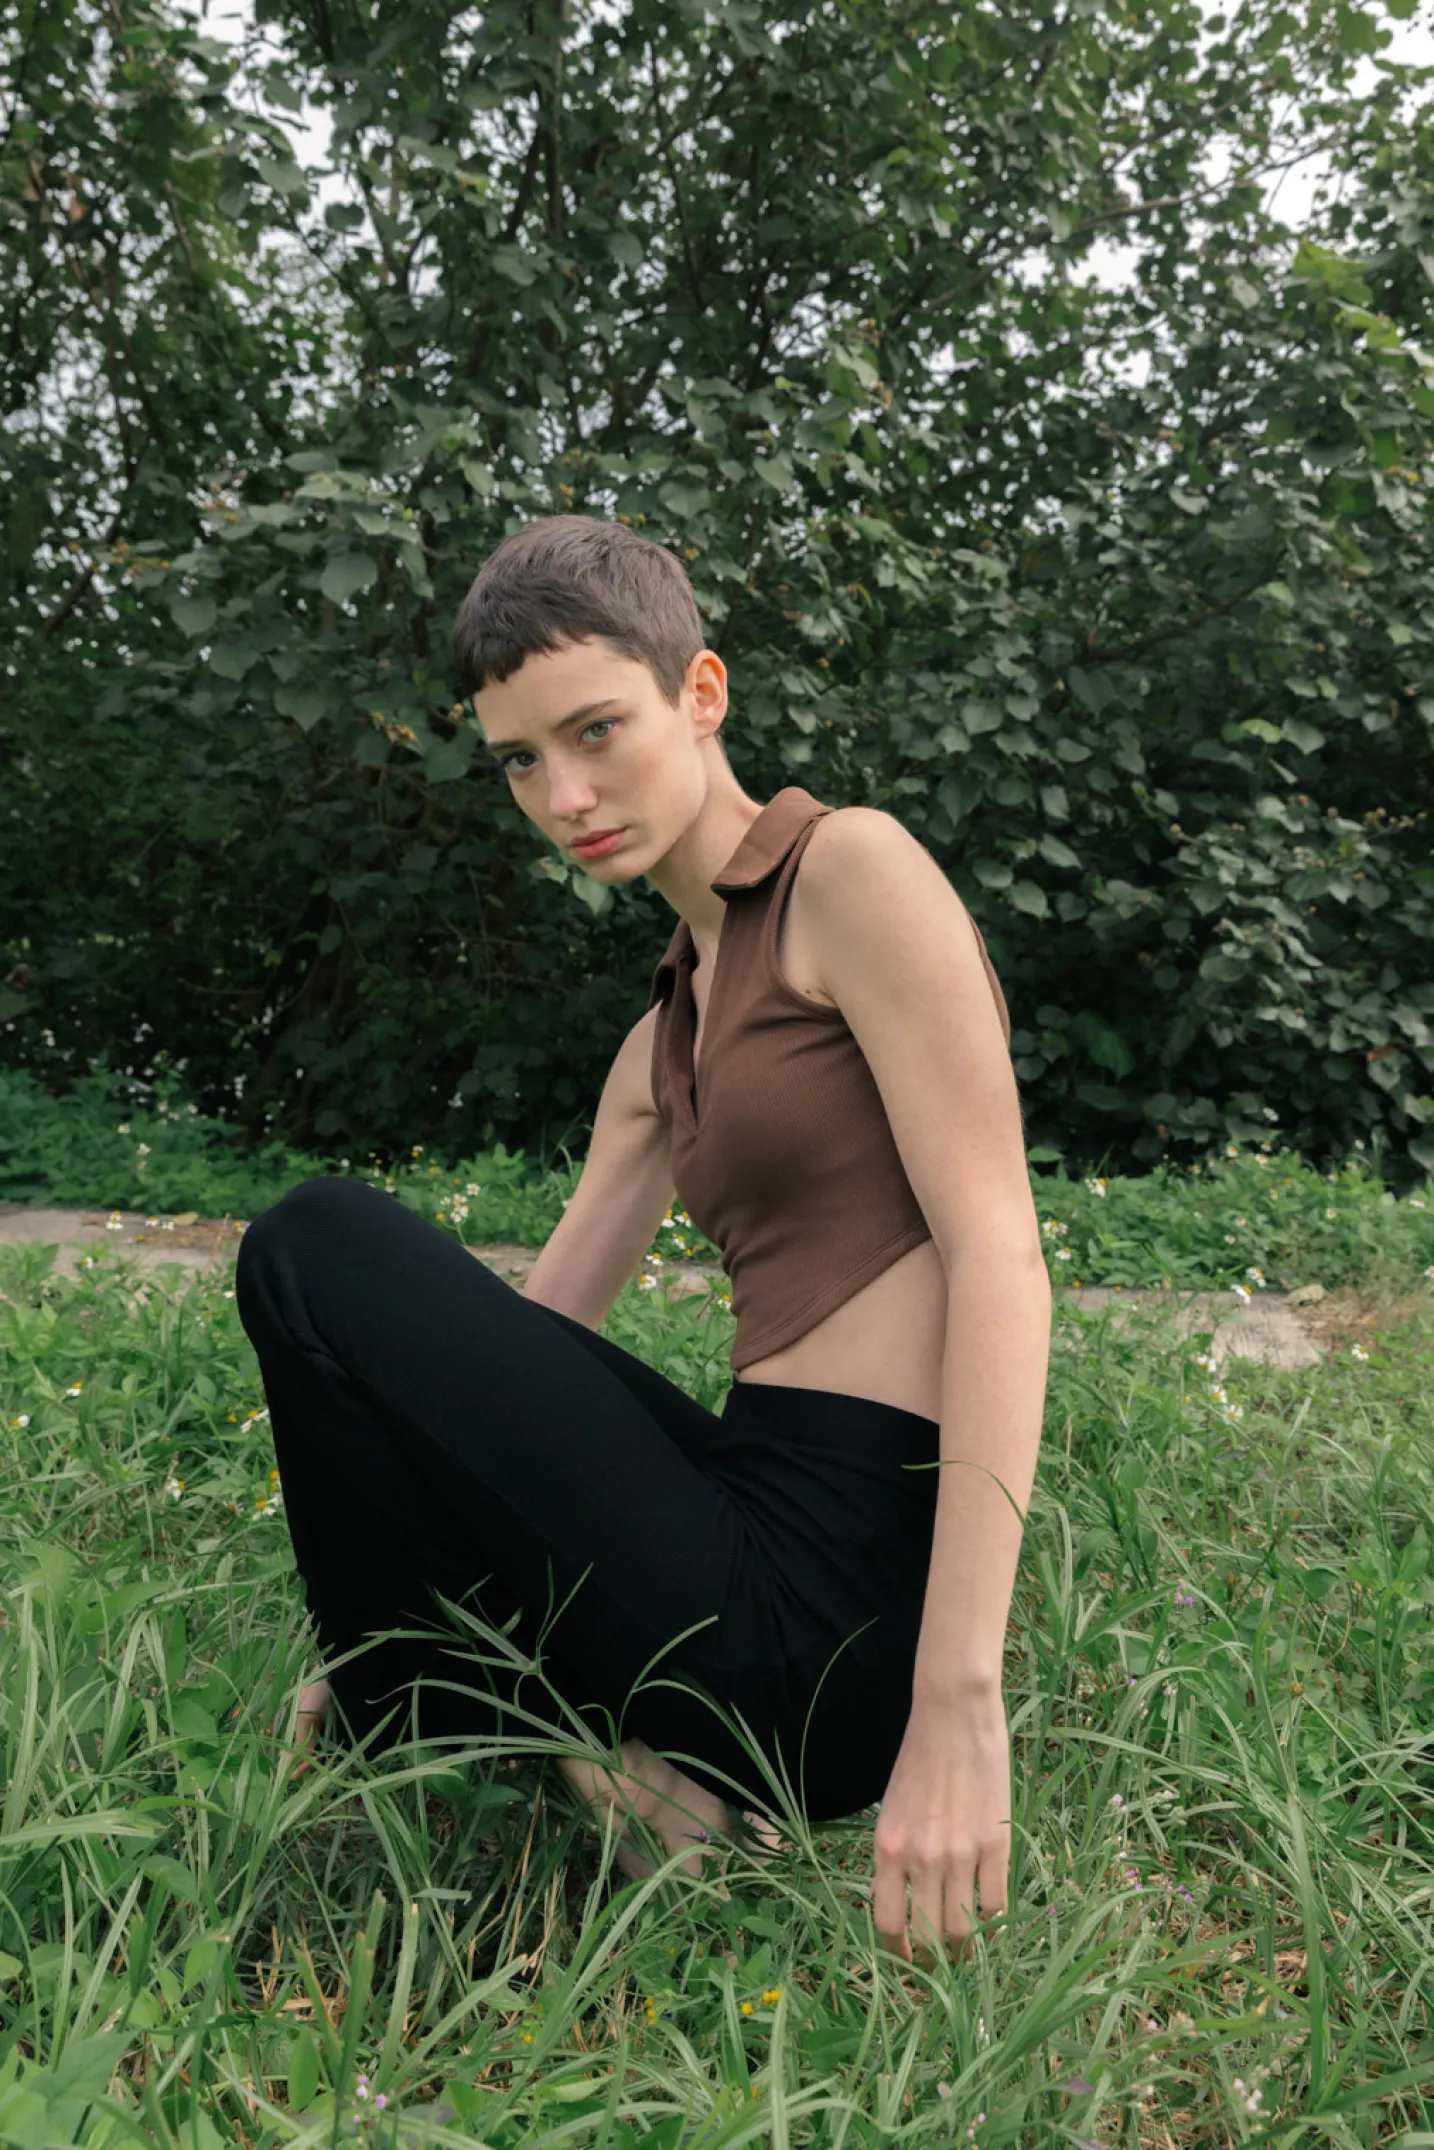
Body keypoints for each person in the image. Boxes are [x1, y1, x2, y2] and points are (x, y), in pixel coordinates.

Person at [234, 514, 1052, 1965]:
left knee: (316, 1236)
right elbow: (515, 1370)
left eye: (596, 731)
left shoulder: (849, 875)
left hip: (837, 1615)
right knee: (343, 1319)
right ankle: (584, 1752)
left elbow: (1000, 1254)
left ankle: (464, 1716)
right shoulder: (656, 1042)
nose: (564, 795)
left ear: (702, 693)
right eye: (519, 762)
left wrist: (956, 1706)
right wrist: (366, 1599)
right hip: (735, 1550)